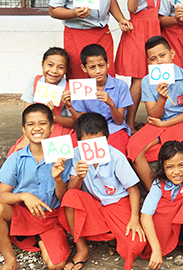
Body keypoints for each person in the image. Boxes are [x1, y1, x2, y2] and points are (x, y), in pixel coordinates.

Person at [0, 104, 72, 270]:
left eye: (42, 123)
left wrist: (58, 179)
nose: (37, 128)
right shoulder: (17, 158)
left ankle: (38, 239)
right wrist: (24, 195)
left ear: (52, 127)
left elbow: (64, 198)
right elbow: (1, 196)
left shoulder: (62, 157)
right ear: (24, 130)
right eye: (31, 124)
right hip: (23, 214)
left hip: (51, 218)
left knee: (56, 265)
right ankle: (10, 260)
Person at [59, 113, 146, 270]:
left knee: (136, 245)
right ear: (79, 143)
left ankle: (112, 237)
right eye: (87, 144)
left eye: (98, 142)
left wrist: (134, 218)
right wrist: (78, 177)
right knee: (70, 196)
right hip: (93, 203)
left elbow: (133, 190)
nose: (92, 148)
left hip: (117, 203)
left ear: (107, 139)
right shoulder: (77, 153)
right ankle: (82, 249)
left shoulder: (116, 156)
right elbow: (71, 191)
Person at [126, 36, 183, 190]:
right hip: (157, 123)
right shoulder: (146, 81)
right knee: (133, 147)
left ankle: (182, 192)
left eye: (163, 55)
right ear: (149, 62)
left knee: (178, 151)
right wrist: (162, 99)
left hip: (181, 121)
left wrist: (166, 124)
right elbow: (153, 115)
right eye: (153, 58)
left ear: (172, 53)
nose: (160, 62)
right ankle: (153, 191)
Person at [116, 0, 166, 134]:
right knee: (137, 78)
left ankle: (156, 118)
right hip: (138, 30)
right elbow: (131, 8)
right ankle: (129, 122)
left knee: (155, 75)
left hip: (154, 28)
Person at [140, 141, 183, 269]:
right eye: (170, 167)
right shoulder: (159, 183)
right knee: (162, 206)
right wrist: (156, 250)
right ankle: (165, 244)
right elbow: (145, 216)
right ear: (163, 167)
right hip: (166, 229)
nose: (176, 172)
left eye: (182, 165)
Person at [63, 44, 132, 154]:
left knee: (116, 151)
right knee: (72, 150)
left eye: (101, 65)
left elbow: (119, 121)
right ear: (84, 68)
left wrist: (111, 104)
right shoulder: (82, 88)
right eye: (92, 67)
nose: (98, 71)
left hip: (114, 128)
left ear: (108, 63)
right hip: (89, 129)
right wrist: (70, 107)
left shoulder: (120, 86)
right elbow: (83, 121)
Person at [8, 47, 76, 155]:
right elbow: (26, 113)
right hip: (36, 125)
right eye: (50, 65)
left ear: (66, 70)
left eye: (60, 67)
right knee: (18, 152)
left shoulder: (69, 89)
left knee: (52, 155)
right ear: (42, 64)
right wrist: (26, 138)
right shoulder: (35, 82)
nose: (54, 71)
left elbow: (73, 122)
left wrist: (54, 116)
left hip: (59, 127)